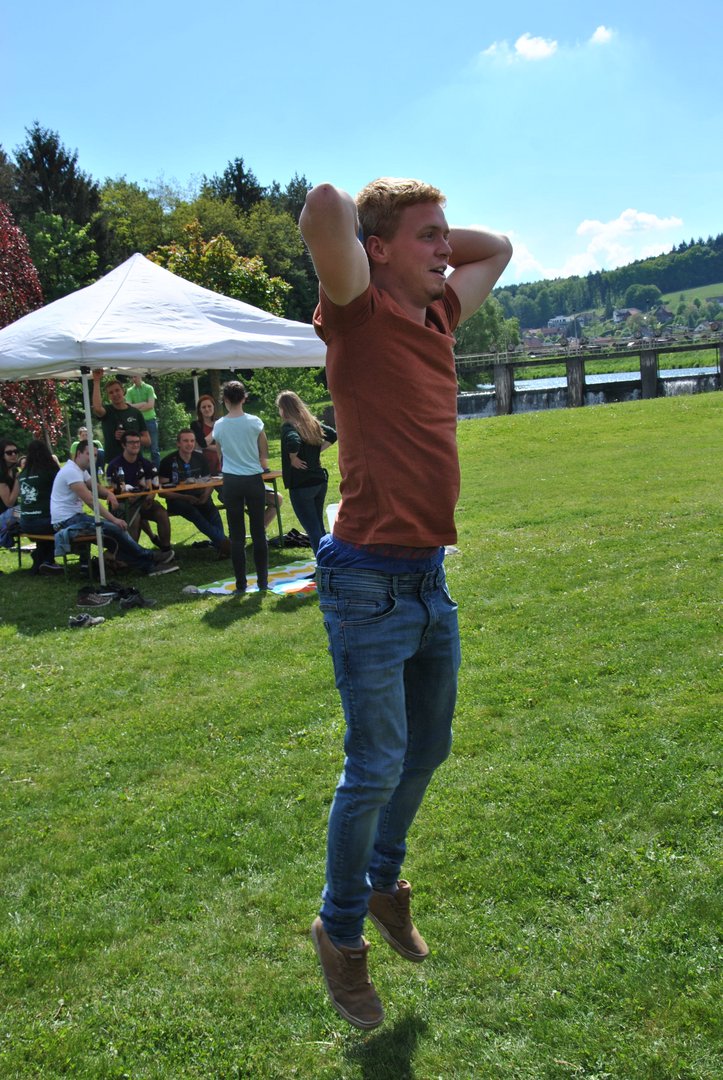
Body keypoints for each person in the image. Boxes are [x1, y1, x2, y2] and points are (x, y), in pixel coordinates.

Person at [300, 177, 512, 1028]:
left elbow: (497, 249)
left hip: (426, 577)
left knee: (427, 748)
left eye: (443, 236)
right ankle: (340, 929)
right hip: (365, 583)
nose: (446, 250)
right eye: (427, 237)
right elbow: (324, 208)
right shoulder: (358, 314)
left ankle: (383, 882)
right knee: (374, 766)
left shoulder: (437, 317)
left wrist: (424, 234)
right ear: (377, 252)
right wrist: (375, 233)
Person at [50, 440, 178, 576]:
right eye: (88, 454)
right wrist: (114, 519)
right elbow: (90, 501)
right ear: (78, 453)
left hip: (74, 518)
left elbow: (96, 487)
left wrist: (108, 494)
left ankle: (148, 566)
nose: (92, 458)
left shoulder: (79, 470)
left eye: (95, 455)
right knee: (115, 529)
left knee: (116, 538)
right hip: (66, 522)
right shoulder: (71, 471)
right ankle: (150, 557)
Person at [211, 381, 269, 593]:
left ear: (225, 400)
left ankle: (241, 585)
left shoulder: (219, 425)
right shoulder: (255, 422)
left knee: (236, 536)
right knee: (258, 532)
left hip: (232, 481)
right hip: (253, 479)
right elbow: (264, 451)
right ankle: (263, 583)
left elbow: (220, 455)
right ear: (244, 398)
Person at [276, 391, 337, 555]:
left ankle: (323, 563)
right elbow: (332, 434)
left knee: (312, 529)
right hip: (319, 481)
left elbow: (293, 440)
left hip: (302, 484)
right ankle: (329, 559)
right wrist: (317, 451)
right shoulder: (311, 423)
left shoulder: (289, 426)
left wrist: (293, 457)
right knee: (318, 526)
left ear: (284, 409)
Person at [159, 430, 231, 557]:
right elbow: (162, 493)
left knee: (211, 509)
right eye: (185, 441)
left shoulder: (200, 458)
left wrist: (205, 496)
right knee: (193, 512)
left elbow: (209, 482)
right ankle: (223, 542)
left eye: (192, 441)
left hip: (198, 496)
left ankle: (222, 545)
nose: (189, 444)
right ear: (178, 443)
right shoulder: (168, 461)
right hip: (177, 500)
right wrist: (185, 497)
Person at [106, 432, 173, 556]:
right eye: (131, 442)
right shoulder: (114, 465)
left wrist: (150, 497)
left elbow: (152, 486)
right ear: (123, 445)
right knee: (135, 517)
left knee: (162, 513)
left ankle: (166, 550)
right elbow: (111, 489)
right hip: (122, 504)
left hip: (143, 502)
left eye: (137, 442)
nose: (135, 445)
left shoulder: (145, 463)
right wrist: (128, 496)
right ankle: (133, 555)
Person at [18, 439, 63, 574]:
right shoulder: (50, 470)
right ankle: (47, 560)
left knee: (45, 530)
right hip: (45, 520)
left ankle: (41, 558)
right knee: (63, 523)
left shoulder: (23, 473)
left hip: (25, 522)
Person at [92, 369, 149, 461]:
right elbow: (97, 408)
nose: (115, 394)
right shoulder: (107, 411)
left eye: (117, 390)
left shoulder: (135, 412)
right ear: (108, 396)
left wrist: (129, 436)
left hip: (135, 461)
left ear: (123, 391)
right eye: (111, 392)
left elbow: (147, 441)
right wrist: (96, 380)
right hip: (113, 461)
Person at [125, 373, 160, 467]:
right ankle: (139, 470)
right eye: (132, 377)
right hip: (137, 422)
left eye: (135, 376)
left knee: (154, 449)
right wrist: (143, 403)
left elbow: (150, 405)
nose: (133, 379)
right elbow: (128, 406)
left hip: (150, 420)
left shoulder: (149, 388)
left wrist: (136, 409)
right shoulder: (129, 391)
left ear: (140, 376)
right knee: (137, 449)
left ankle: (156, 471)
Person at [191, 394, 221, 475]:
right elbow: (203, 443)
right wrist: (216, 428)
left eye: (209, 406)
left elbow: (226, 446)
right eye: (203, 407)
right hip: (204, 464)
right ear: (200, 410)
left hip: (222, 464)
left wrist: (203, 446)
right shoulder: (196, 425)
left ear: (213, 407)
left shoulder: (220, 422)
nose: (207, 409)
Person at [0, 437, 20, 550]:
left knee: (34, 509)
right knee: (27, 510)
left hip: (13, 513)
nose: (13, 454)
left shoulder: (14, 470)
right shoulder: (1, 474)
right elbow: (9, 503)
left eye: (15, 452)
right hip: (3, 516)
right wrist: (17, 481)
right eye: (9, 453)